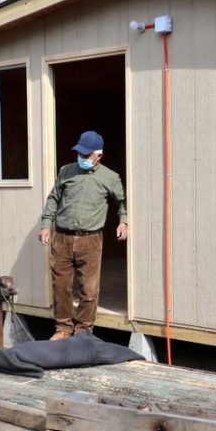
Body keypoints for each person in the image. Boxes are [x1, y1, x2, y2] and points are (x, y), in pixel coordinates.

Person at [38, 131, 127, 340]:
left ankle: (83, 330)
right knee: (61, 286)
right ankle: (62, 328)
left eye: (86, 155)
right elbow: (53, 199)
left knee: (89, 288)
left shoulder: (110, 178)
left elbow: (122, 201)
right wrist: (45, 225)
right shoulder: (66, 171)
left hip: (90, 239)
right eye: (80, 153)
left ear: (99, 156)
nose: (82, 158)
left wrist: (124, 221)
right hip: (61, 237)